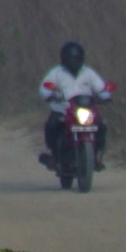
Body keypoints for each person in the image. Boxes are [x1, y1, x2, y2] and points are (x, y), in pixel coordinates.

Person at [39, 40, 110, 171]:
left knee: (101, 125)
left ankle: (94, 157)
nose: (74, 61)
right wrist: (49, 94)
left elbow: (101, 87)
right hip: (63, 110)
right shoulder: (56, 73)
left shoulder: (88, 73)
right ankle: (55, 156)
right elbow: (45, 87)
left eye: (76, 58)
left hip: (86, 110)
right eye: (70, 59)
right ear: (64, 59)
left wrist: (105, 96)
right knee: (51, 125)